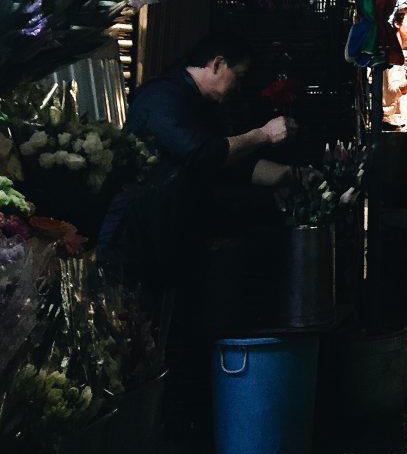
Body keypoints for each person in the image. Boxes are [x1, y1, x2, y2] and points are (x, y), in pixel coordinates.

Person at [97, 32, 298, 283]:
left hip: (174, 240)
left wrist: (293, 175)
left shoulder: (205, 107)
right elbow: (202, 153)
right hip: (136, 239)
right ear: (217, 64)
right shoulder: (162, 96)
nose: (240, 86)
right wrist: (263, 135)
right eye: (240, 75)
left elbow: (232, 162)